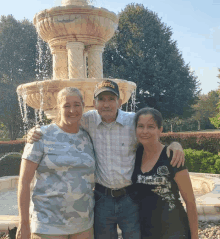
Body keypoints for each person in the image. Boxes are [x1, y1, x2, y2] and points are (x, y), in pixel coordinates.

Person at [27, 80, 185, 239]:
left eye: (111, 99)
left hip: (130, 198)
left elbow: (152, 134)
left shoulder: (133, 121)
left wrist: (175, 144)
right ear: (94, 103)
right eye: (101, 99)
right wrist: (36, 131)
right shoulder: (87, 120)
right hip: (102, 200)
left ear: (120, 102)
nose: (106, 104)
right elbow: (64, 121)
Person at [16, 87, 95, 239]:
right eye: (66, 105)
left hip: (83, 224)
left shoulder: (87, 137)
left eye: (77, 104)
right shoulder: (41, 136)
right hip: (48, 225)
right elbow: (24, 182)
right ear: (58, 108)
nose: (72, 110)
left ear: (83, 106)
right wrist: (24, 222)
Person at [132, 107, 198, 239]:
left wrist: (195, 237)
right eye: (140, 126)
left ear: (160, 129)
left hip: (174, 230)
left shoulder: (172, 156)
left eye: (151, 126)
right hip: (145, 231)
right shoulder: (135, 155)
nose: (145, 131)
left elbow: (190, 202)